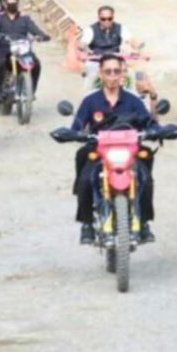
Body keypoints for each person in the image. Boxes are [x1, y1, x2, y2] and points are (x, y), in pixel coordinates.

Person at [71, 54, 157, 245]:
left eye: (116, 71)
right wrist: (74, 133)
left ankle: (143, 223)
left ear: (122, 75)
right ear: (101, 74)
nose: (112, 76)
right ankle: (86, 224)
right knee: (85, 180)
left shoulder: (133, 100)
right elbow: (76, 125)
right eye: (108, 72)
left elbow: (149, 123)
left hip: (129, 151)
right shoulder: (90, 101)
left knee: (146, 180)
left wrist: (157, 130)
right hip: (100, 151)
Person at [0, 0, 50, 97]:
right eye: (9, 3)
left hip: (22, 49)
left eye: (14, 3)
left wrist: (42, 36)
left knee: (36, 64)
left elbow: (35, 29)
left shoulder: (24, 18)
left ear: (18, 4)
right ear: (5, 5)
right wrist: (0, 36)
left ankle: (31, 91)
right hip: (3, 48)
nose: (12, 5)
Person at [77, 5, 142, 84]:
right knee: (90, 77)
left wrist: (137, 46)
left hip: (115, 59)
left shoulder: (120, 28)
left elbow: (131, 40)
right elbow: (83, 44)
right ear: (98, 18)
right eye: (103, 19)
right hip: (96, 60)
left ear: (113, 18)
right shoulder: (90, 30)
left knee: (131, 74)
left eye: (109, 19)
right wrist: (83, 48)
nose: (106, 21)